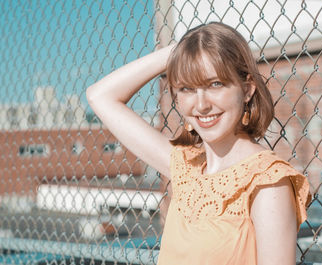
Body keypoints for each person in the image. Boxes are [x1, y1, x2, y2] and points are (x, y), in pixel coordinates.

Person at [86, 22, 310, 265]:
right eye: (187, 88)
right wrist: (181, 50)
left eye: (215, 84)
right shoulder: (184, 166)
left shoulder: (267, 181)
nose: (201, 104)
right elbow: (100, 96)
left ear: (247, 90)